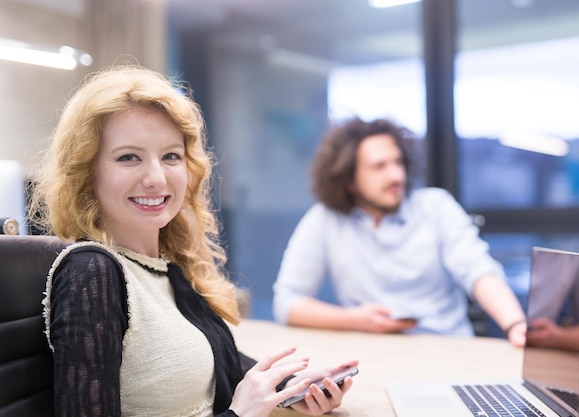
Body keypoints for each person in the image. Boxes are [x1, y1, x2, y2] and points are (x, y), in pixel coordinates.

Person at [30, 65, 356, 417]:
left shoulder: (164, 268)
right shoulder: (91, 272)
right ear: (86, 170)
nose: (156, 178)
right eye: (128, 157)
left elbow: (219, 363)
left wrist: (291, 388)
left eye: (171, 156)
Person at [272, 117, 527, 347]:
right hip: (373, 354)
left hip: (447, 349)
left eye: (397, 162)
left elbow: (478, 270)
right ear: (348, 180)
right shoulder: (325, 219)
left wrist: (514, 324)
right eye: (379, 166)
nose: (396, 175)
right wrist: (355, 320)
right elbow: (288, 302)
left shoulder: (436, 206)